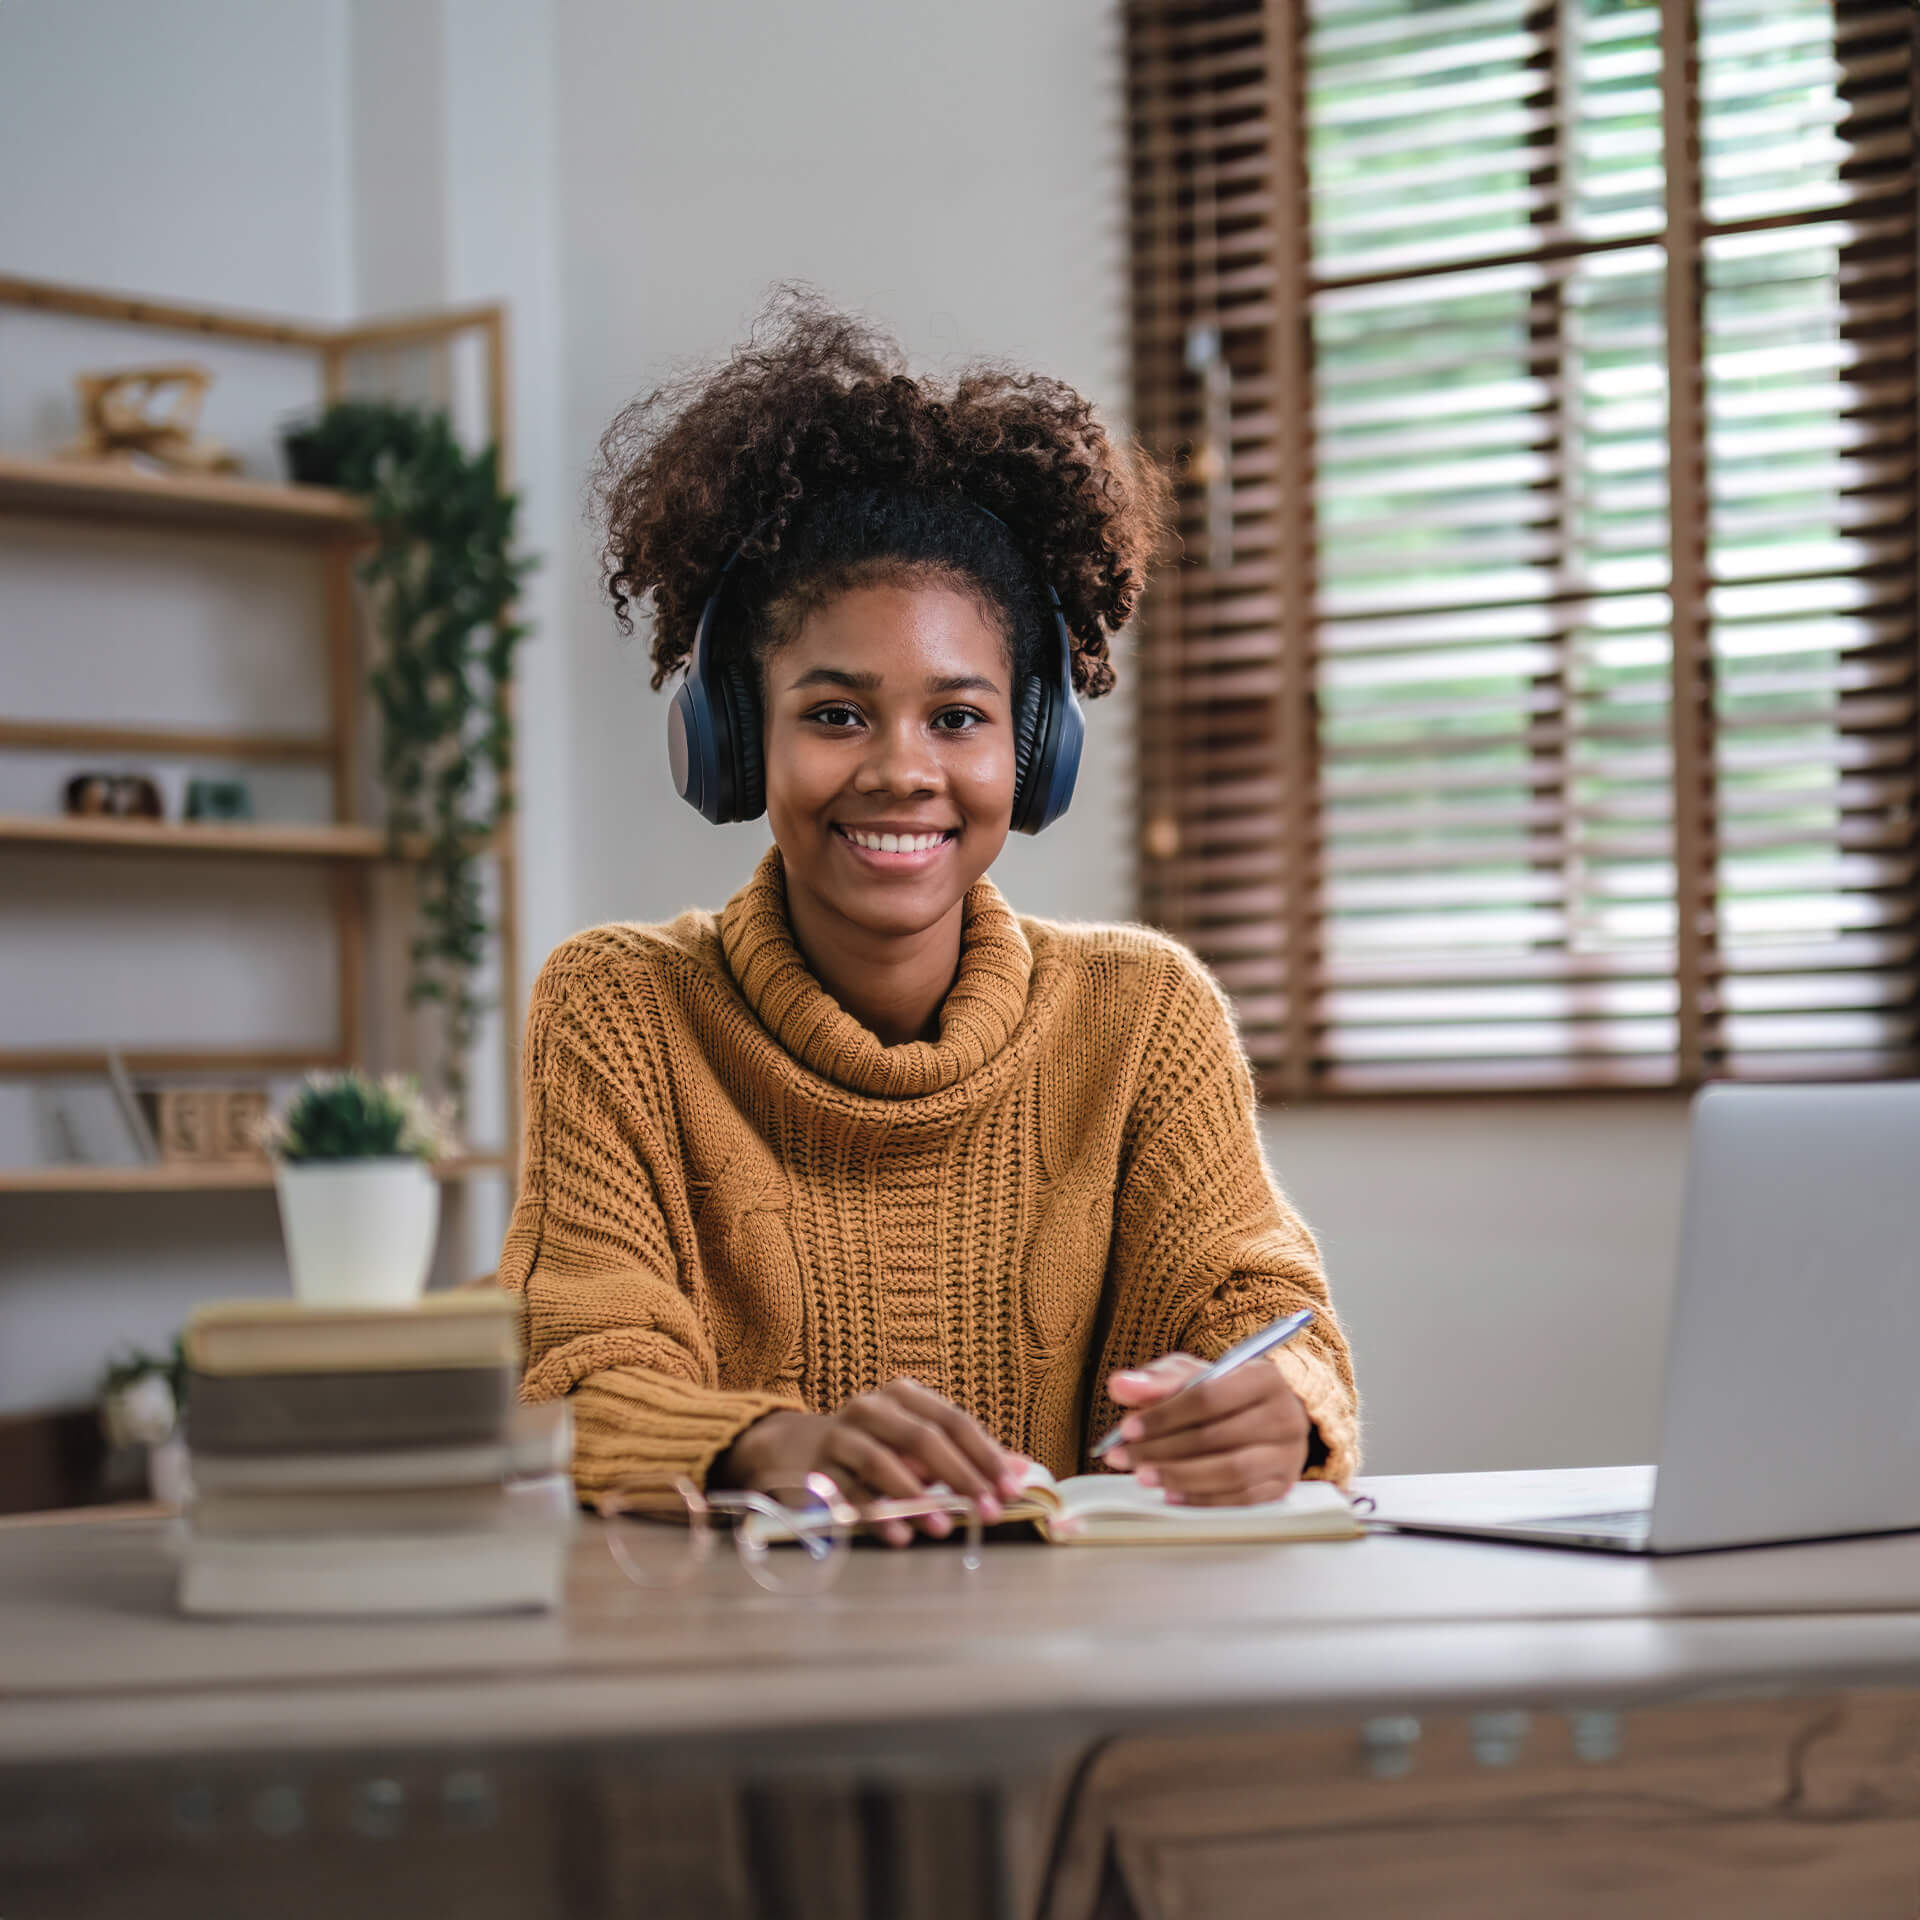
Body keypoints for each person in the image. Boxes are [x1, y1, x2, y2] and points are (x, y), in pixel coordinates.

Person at [499, 293, 1358, 1545]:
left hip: (1079, 1669)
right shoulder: (620, 1009)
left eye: (958, 718)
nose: (904, 771)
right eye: (837, 713)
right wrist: (773, 1442)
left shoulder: (1142, 1014)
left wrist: (1278, 1408)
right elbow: (579, 1374)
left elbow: (1264, 1306)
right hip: (735, 1664)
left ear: (1036, 746)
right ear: (733, 742)